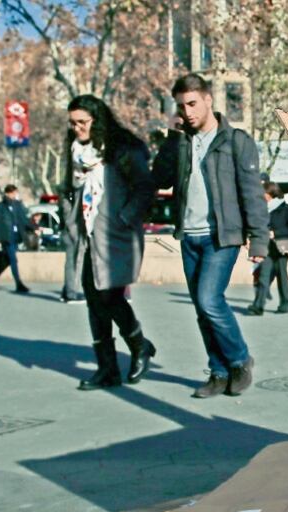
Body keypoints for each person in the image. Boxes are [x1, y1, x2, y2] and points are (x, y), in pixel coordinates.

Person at [152, 74, 268, 398]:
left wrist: (259, 238)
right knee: (201, 309)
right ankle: (218, 372)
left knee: (209, 300)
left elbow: (252, 193)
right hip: (189, 235)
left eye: (192, 103)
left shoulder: (235, 140)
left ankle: (239, 359)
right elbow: (158, 178)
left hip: (221, 236)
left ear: (208, 100)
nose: (187, 112)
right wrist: (171, 139)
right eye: (181, 106)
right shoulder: (181, 141)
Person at [63, 94, 157, 390]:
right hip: (88, 233)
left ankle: (139, 344)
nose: (77, 128)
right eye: (72, 123)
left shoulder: (123, 148)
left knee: (110, 295)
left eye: (82, 122)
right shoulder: (75, 149)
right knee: (94, 299)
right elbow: (69, 187)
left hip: (117, 234)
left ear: (97, 120)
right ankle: (108, 368)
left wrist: (125, 217)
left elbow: (144, 188)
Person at [248, 182, 288, 315]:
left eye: (263, 193)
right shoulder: (262, 209)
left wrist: (275, 233)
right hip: (266, 247)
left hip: (281, 248)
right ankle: (258, 306)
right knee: (263, 276)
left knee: (282, 276)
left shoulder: (286, 208)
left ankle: (285, 304)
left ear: (271, 194)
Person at [0, 184, 30, 293]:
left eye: (16, 193)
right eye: (13, 193)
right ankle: (19, 284)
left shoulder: (18, 205)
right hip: (6, 237)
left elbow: (24, 220)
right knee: (13, 260)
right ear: (7, 193)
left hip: (16, 236)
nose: (15, 195)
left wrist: (35, 228)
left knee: (7, 261)